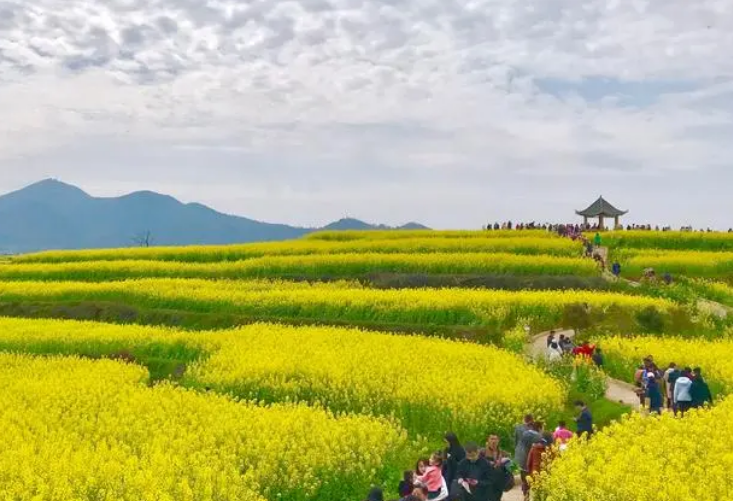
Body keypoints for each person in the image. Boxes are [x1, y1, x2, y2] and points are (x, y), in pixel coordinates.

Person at [518, 422, 544, 501]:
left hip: (521, 462)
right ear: (539, 428)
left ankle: (526, 496)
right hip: (531, 464)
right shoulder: (539, 437)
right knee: (535, 485)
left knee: (525, 483)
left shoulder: (524, 434)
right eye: (543, 428)